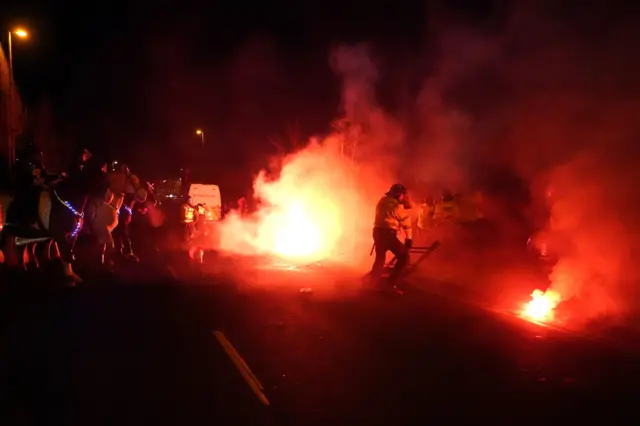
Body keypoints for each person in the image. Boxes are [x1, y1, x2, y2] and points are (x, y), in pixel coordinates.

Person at [369, 183, 413, 295]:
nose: (404, 196)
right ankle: (389, 285)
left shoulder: (382, 201)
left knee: (380, 259)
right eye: (403, 194)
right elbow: (406, 222)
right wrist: (409, 239)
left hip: (377, 232)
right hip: (388, 234)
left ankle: (371, 284)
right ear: (398, 194)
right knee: (404, 257)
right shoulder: (395, 205)